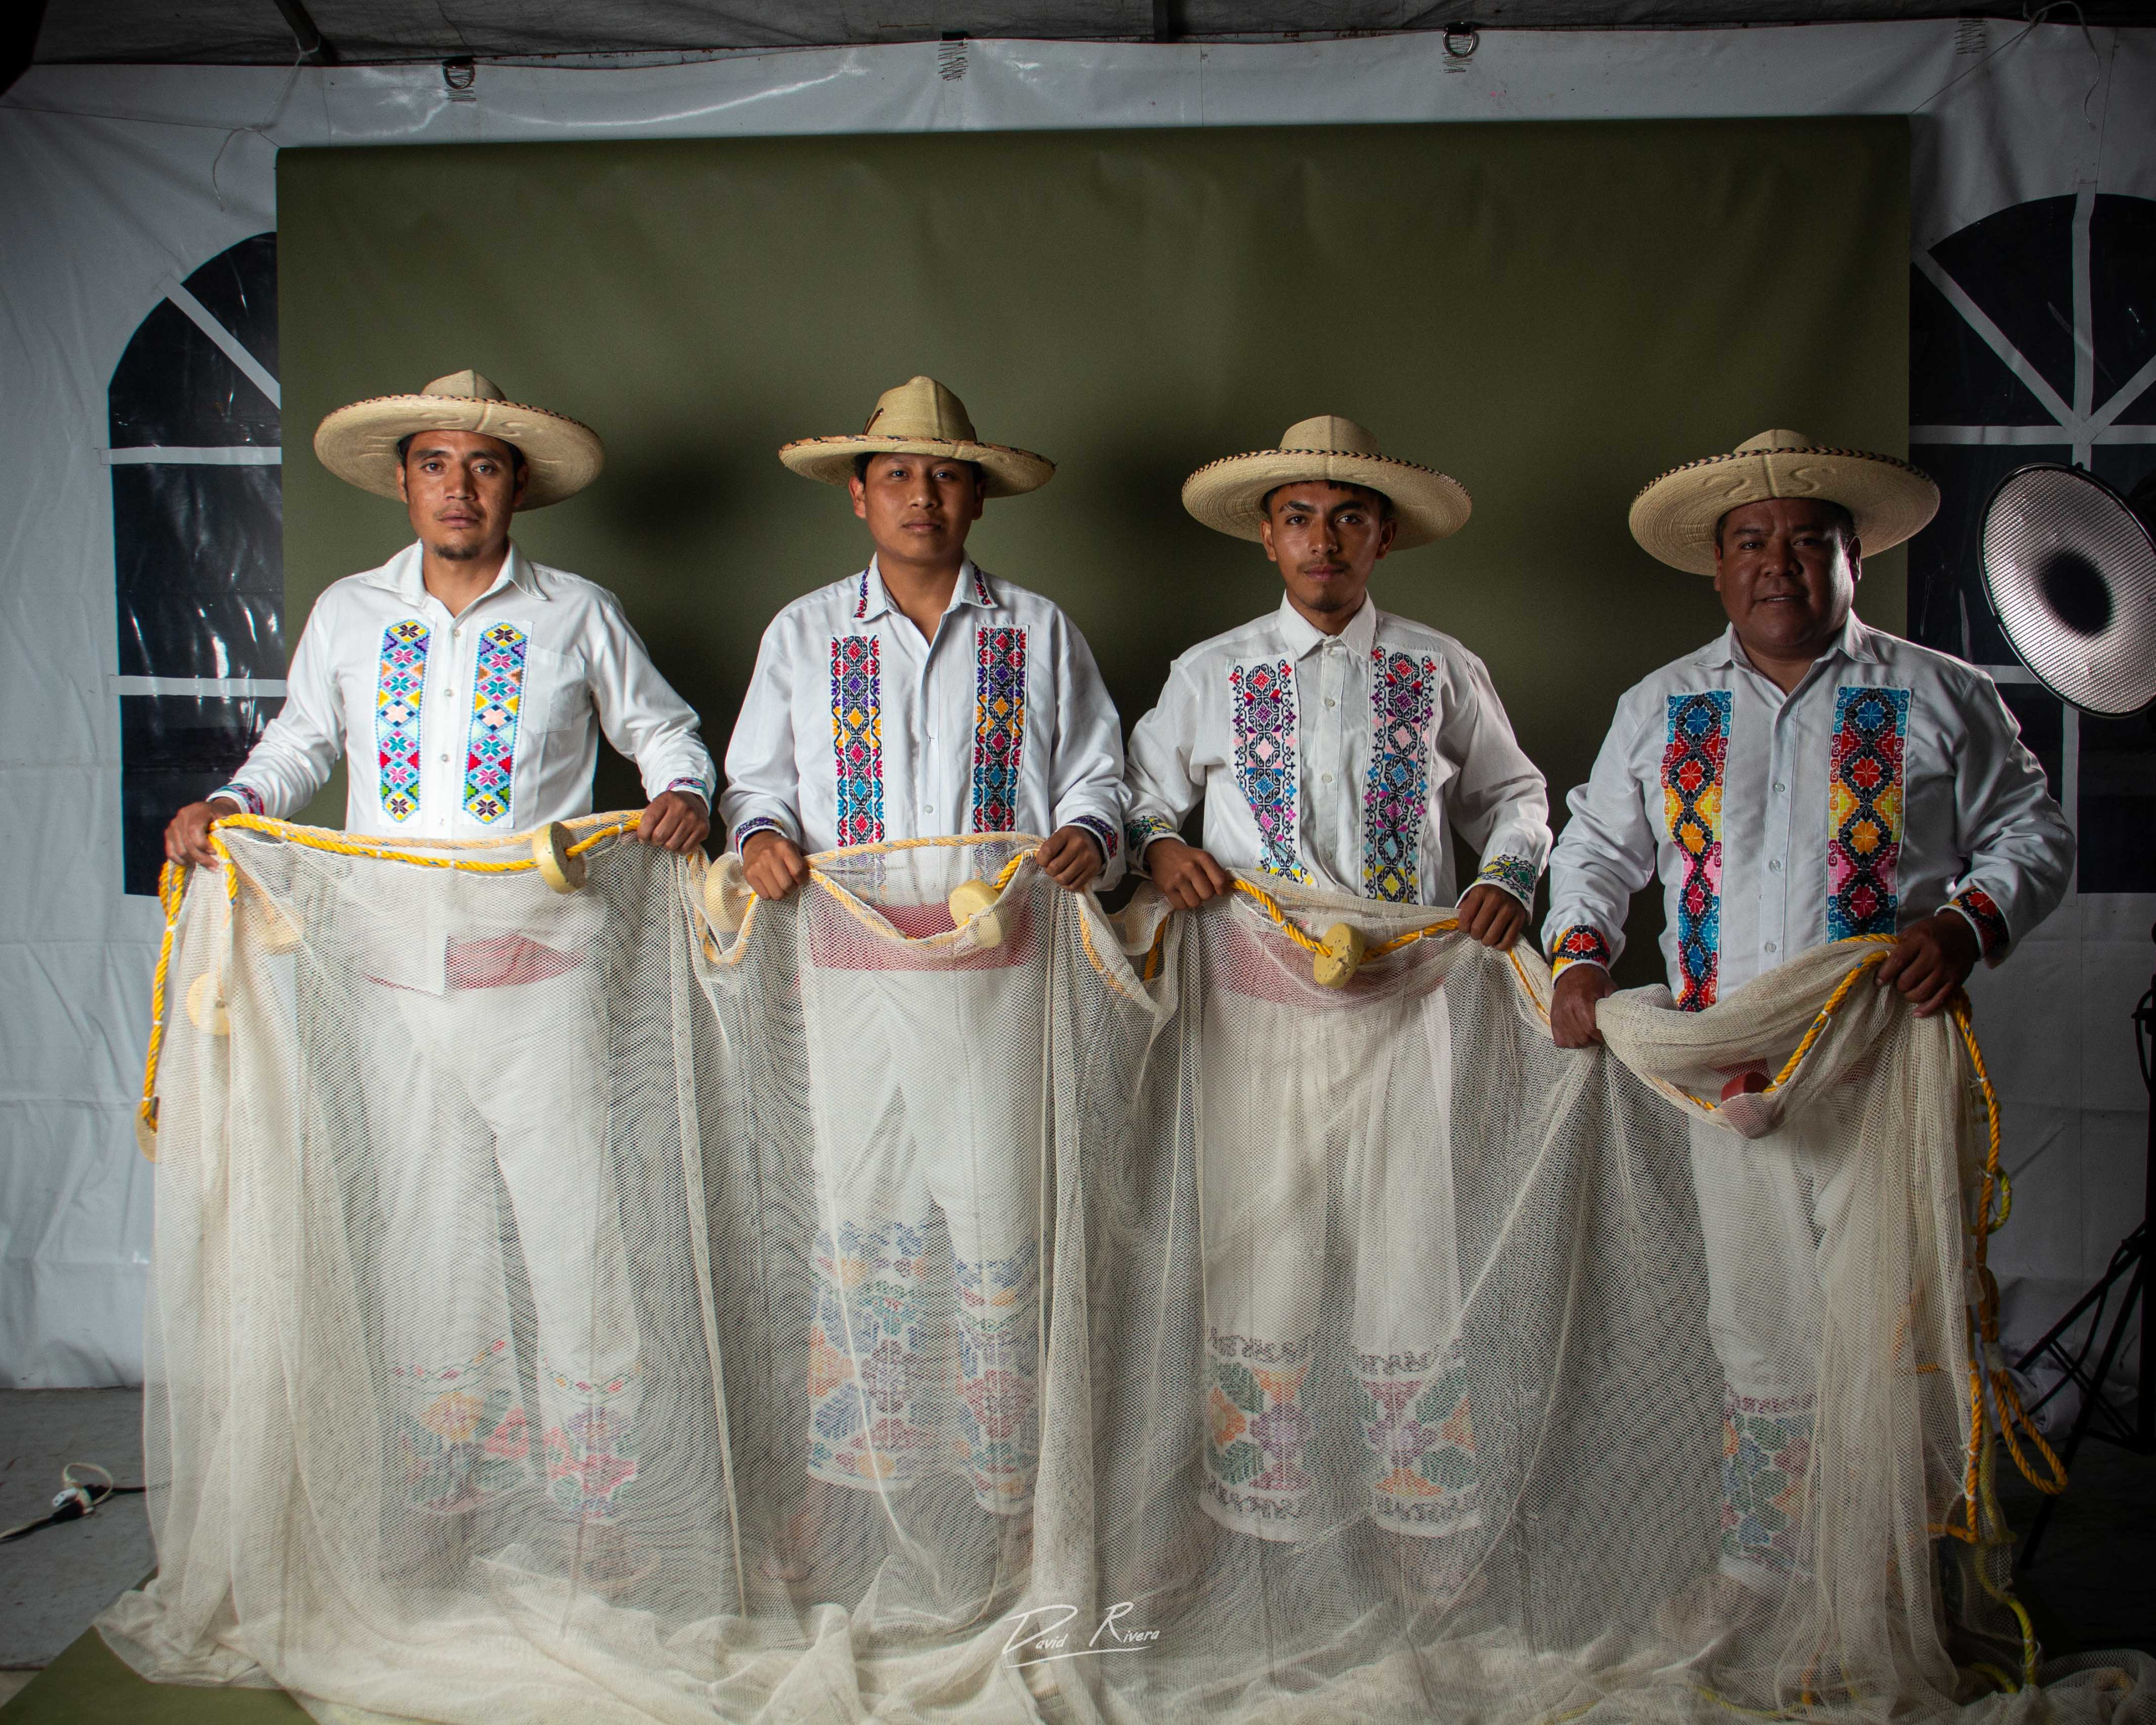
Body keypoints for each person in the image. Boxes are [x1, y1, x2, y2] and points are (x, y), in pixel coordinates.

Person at [164, 369, 715, 1587]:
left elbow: (666, 729)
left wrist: (684, 790)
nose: (459, 488)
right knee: (429, 1234)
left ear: (517, 485)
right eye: (435, 465)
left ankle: (596, 1502)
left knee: (575, 1231)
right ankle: (446, 1496)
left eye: (483, 466)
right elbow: (302, 740)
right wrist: (236, 804)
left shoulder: (576, 612)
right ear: (405, 481)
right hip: (396, 980)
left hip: (543, 976)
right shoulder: (353, 615)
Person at [1542, 430, 2073, 1625]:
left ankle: (1893, 1581)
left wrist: (1964, 926)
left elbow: (2034, 836)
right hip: (1727, 1062)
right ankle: (1766, 1577)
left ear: (1853, 560)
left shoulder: (1942, 694)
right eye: (1751, 541)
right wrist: (1578, 955)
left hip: (1884, 1061)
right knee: (1755, 1322)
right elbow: (1595, 849)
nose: (1779, 563)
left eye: (1808, 540)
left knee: (1896, 1320)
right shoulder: (1664, 705)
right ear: (1718, 568)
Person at [1122, 416, 1550, 1594]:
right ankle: (1243, 1510)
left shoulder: (1439, 667)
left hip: (1406, 1010)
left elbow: (1518, 796)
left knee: (1409, 1245)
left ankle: (1415, 1525)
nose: (1325, 541)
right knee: (1256, 1244)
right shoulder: (1210, 675)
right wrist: (1163, 854)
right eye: (1301, 517)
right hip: (1253, 1012)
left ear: (1387, 535)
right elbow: (1142, 796)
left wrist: (1510, 877)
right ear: (1267, 535)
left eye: (1350, 517)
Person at [721, 375, 1124, 1590]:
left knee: (998, 1224)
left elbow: (1101, 780)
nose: (921, 495)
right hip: (847, 981)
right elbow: (754, 782)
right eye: (896, 474)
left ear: (979, 498)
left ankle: (1013, 1506)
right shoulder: (804, 636)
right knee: (862, 1226)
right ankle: (856, 1499)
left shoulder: (1037, 633)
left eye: (945, 474)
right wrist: (759, 837)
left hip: (998, 987)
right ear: (858, 495)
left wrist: (1089, 841)